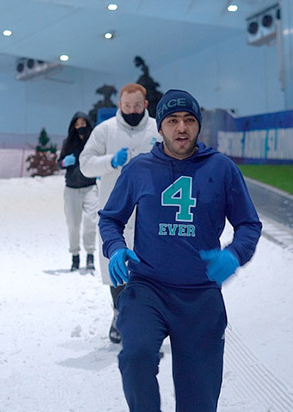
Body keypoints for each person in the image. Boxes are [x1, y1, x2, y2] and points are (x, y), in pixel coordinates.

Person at [99, 89, 262, 412]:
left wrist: (234, 254)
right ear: (159, 128)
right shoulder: (139, 169)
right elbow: (110, 219)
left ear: (198, 126)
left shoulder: (222, 169)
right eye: (172, 120)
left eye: (189, 120)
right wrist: (116, 248)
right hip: (148, 287)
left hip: (200, 293)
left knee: (199, 399)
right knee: (136, 357)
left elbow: (249, 224)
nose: (181, 128)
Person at [79, 83, 160, 343]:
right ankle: (119, 314)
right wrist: (110, 161)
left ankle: (148, 319)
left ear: (145, 105)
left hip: (152, 213)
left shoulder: (159, 129)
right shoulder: (105, 131)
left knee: (151, 269)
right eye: (127, 106)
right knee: (117, 267)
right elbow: (85, 164)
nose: (132, 110)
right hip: (116, 212)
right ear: (119, 105)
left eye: (137, 106)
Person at [57, 112, 99, 272]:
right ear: (73, 126)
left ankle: (90, 255)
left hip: (90, 187)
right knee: (73, 224)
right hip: (71, 189)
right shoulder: (67, 143)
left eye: (83, 123)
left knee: (90, 222)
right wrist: (63, 162)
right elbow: (58, 163)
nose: (80, 127)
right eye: (77, 124)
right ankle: (75, 256)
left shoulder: (94, 142)